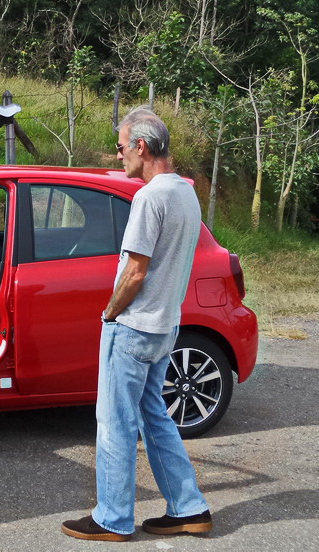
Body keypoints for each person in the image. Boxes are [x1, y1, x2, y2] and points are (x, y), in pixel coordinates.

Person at [61, 107, 213, 542]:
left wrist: (110, 313)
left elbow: (135, 271)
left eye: (121, 146)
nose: (118, 154)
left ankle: (112, 517)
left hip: (133, 326)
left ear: (141, 147)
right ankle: (189, 508)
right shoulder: (185, 192)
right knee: (155, 417)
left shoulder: (150, 197)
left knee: (115, 424)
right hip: (165, 326)